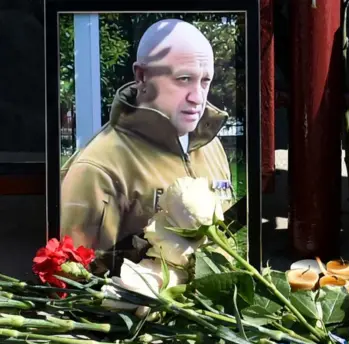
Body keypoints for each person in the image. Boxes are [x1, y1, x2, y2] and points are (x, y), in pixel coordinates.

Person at [60, 19, 234, 273]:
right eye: (184, 79)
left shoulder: (211, 146)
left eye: (205, 81)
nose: (197, 97)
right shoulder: (96, 169)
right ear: (142, 76)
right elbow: (75, 284)